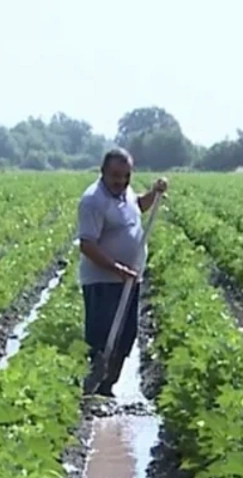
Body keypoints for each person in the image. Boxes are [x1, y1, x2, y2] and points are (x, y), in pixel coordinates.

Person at [76, 147, 168, 396]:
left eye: (126, 175)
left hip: (128, 279)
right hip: (102, 280)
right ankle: (92, 388)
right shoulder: (93, 200)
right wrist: (117, 268)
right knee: (102, 337)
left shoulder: (124, 192)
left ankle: (108, 386)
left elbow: (136, 207)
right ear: (103, 172)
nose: (121, 181)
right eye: (116, 175)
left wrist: (154, 194)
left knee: (127, 335)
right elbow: (87, 244)